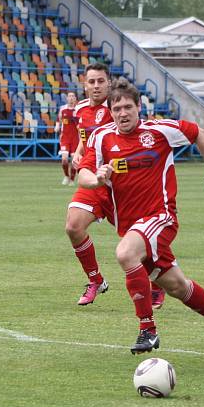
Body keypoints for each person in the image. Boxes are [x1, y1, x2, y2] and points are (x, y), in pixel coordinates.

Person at [78, 78, 204, 355]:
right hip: (132, 228)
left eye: (128, 107)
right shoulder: (101, 138)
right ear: (110, 111)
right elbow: (83, 174)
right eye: (117, 108)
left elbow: (198, 133)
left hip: (161, 217)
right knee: (178, 287)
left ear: (139, 107)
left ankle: (148, 329)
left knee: (125, 254)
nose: (123, 113)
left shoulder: (159, 130)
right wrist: (97, 178)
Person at [65, 62, 166, 308]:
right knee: (73, 226)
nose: (96, 86)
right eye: (92, 82)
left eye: (101, 81)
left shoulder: (119, 107)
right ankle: (95, 280)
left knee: (138, 239)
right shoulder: (79, 108)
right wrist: (79, 153)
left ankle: (158, 282)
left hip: (123, 183)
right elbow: (85, 139)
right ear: (85, 85)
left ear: (109, 83)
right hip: (96, 180)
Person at [55, 91, 79, 185]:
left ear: (75, 98)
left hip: (75, 138)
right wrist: (57, 126)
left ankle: (72, 180)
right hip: (65, 137)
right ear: (67, 98)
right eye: (69, 96)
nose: (71, 98)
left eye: (73, 96)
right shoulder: (62, 109)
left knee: (74, 160)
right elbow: (59, 119)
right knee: (64, 159)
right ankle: (66, 176)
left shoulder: (78, 109)